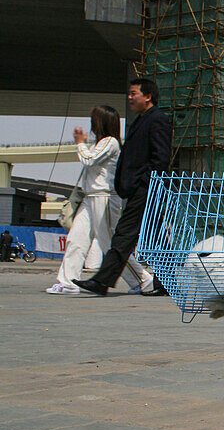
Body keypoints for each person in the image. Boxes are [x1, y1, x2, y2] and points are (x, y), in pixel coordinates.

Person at [74, 79, 172, 297]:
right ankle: (167, 282)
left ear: (147, 96)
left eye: (133, 94)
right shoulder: (141, 120)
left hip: (146, 190)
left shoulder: (157, 120)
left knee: (124, 234)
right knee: (155, 237)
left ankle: (102, 281)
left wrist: (144, 183)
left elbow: (161, 158)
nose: (129, 98)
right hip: (141, 188)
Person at [47, 106, 154, 295]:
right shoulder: (100, 143)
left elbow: (89, 160)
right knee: (76, 239)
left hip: (104, 197)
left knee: (109, 243)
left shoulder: (110, 142)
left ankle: (142, 279)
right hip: (90, 197)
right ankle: (67, 283)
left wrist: (80, 143)